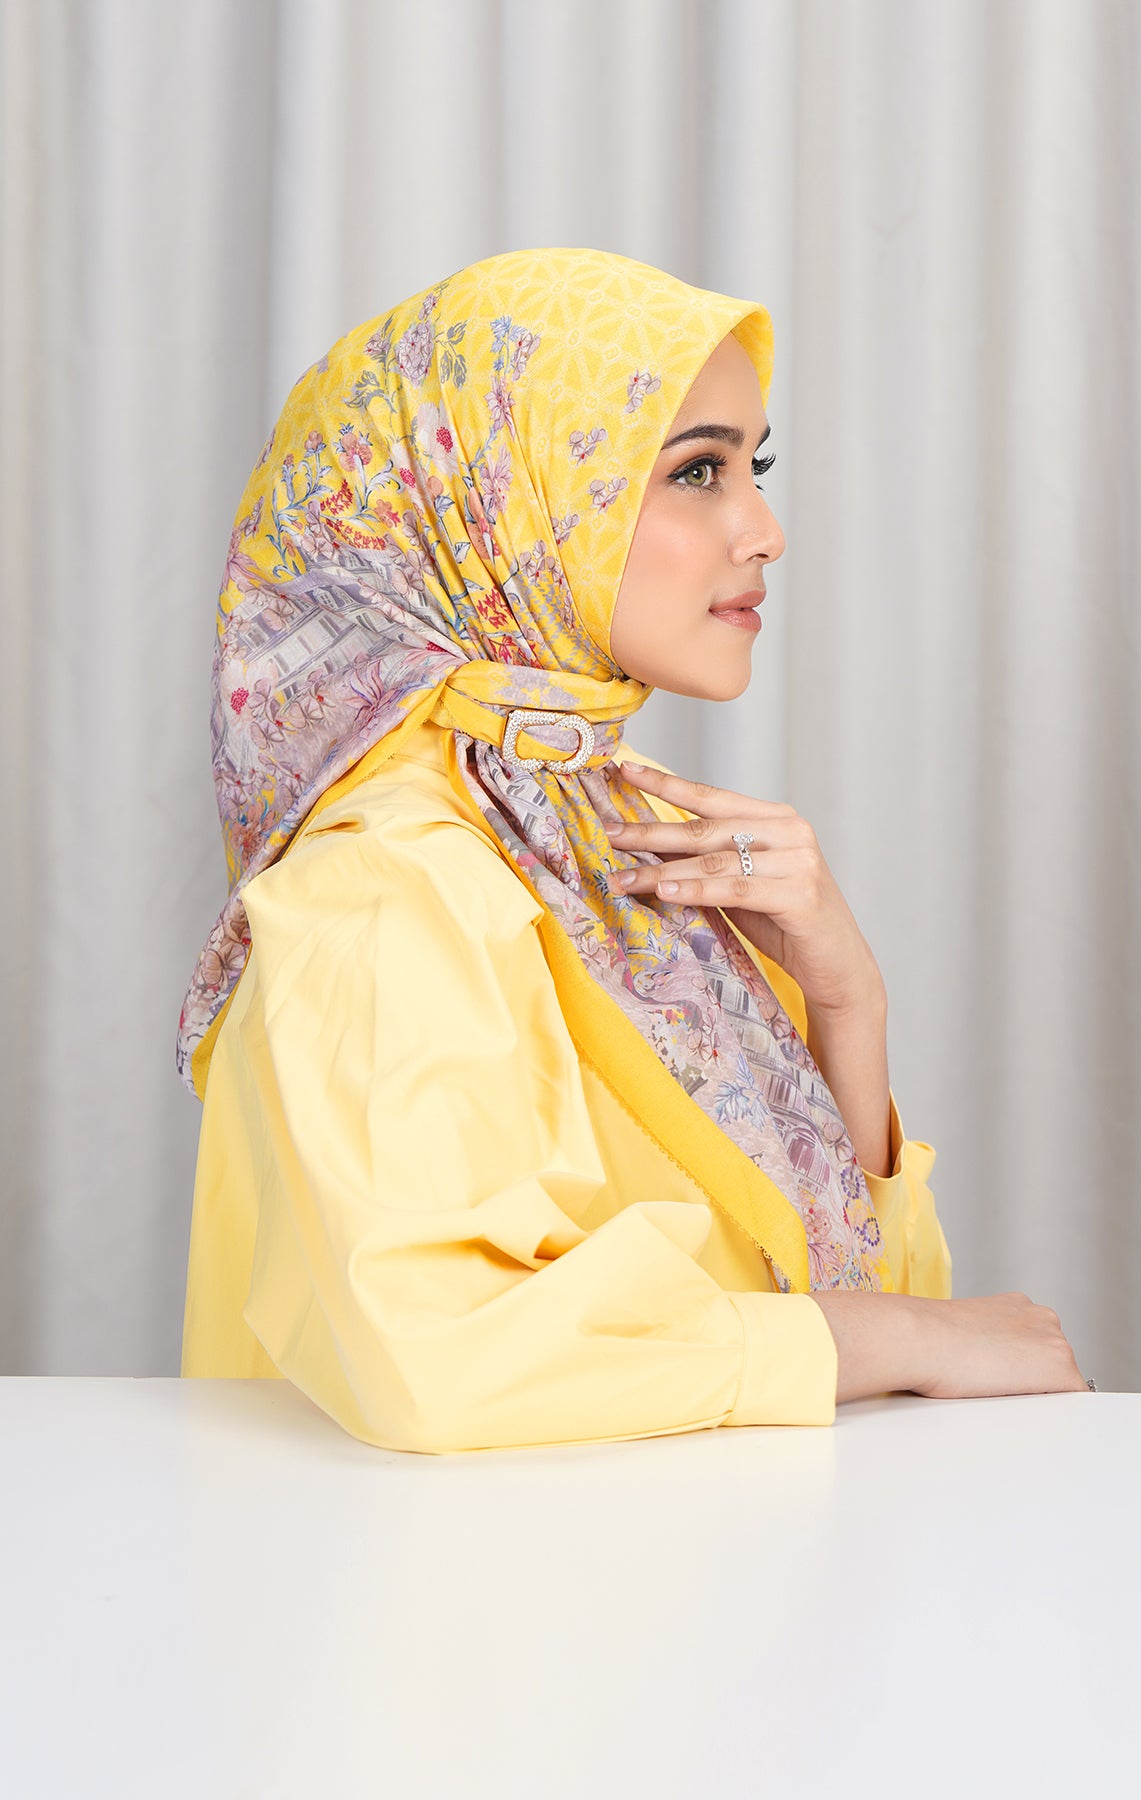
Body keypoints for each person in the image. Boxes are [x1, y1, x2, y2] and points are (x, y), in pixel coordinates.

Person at [177, 246, 1089, 1453]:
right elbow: (444, 1354)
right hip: (453, 1576)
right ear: (497, 502)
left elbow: (862, 1305)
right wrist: (903, 1337)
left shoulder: (605, 833)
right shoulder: (388, 882)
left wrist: (846, 1003)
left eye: (754, 468)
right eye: (697, 471)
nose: (764, 531)